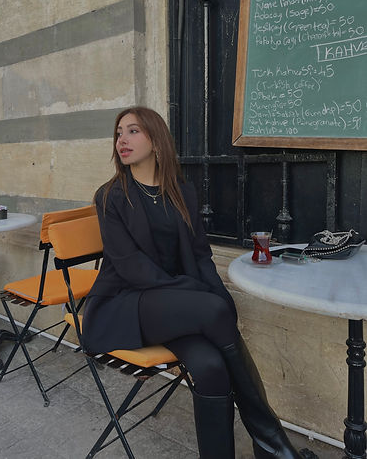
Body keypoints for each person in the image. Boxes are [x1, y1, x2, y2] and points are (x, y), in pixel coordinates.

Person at [83, 106, 301, 459]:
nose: (122, 139)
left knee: (211, 366)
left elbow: (200, 255)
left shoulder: (181, 191)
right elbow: (131, 267)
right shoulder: (111, 196)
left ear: (157, 141)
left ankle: (265, 446)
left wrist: (216, 294)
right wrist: (201, 297)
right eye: (119, 133)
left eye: (133, 131)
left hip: (175, 305)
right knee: (212, 310)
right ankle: (274, 443)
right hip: (127, 303)